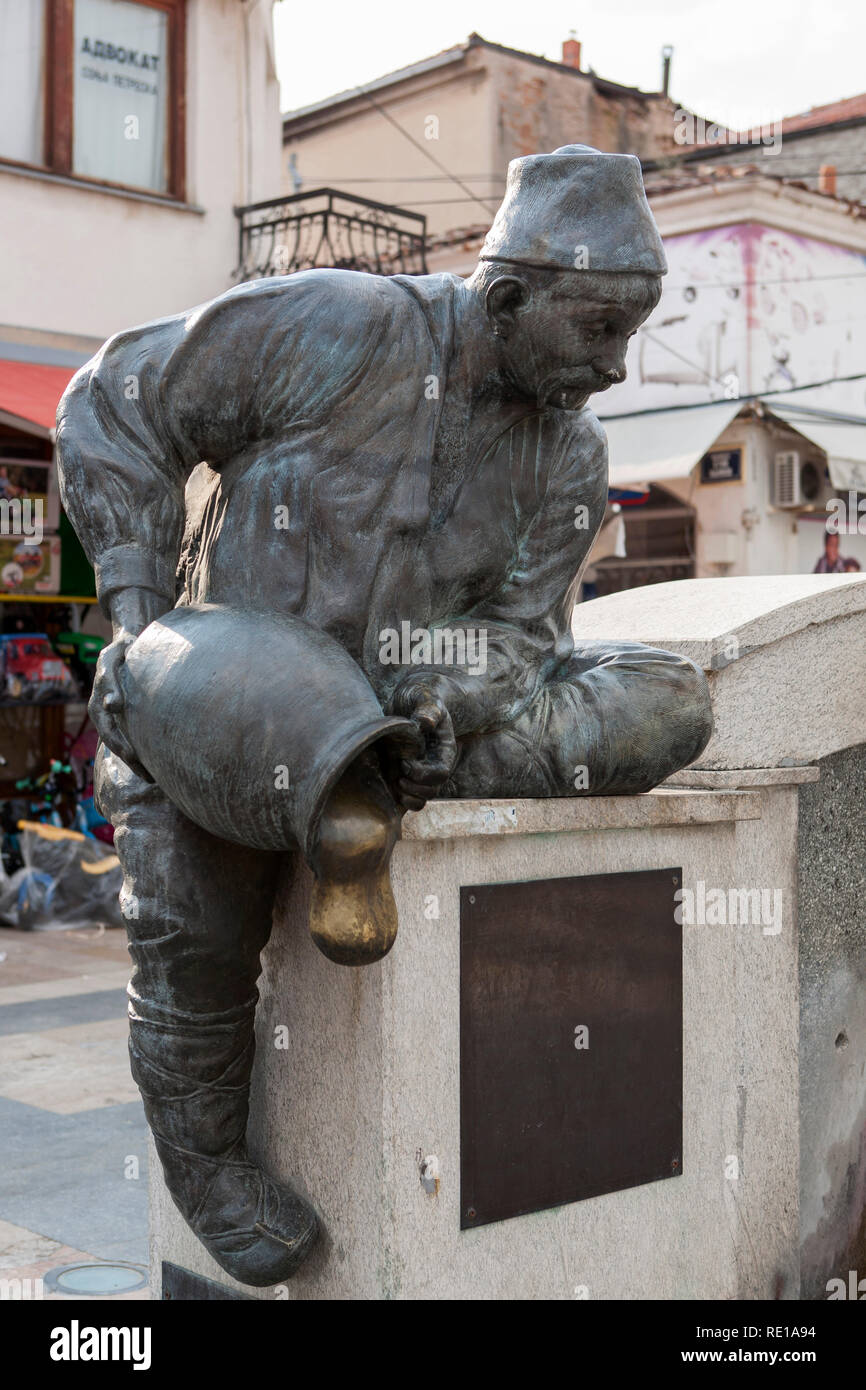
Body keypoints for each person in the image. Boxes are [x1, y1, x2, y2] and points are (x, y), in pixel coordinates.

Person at [56, 146, 712, 1286]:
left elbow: (521, 633)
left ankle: (365, 782)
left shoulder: (571, 454)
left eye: (628, 333)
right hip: (235, 708)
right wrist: (140, 622)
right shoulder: (338, 323)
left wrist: (453, 695)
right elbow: (115, 402)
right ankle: (205, 1158)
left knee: (672, 700)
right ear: (507, 297)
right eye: (599, 330)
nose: (615, 367)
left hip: (409, 720)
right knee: (194, 943)